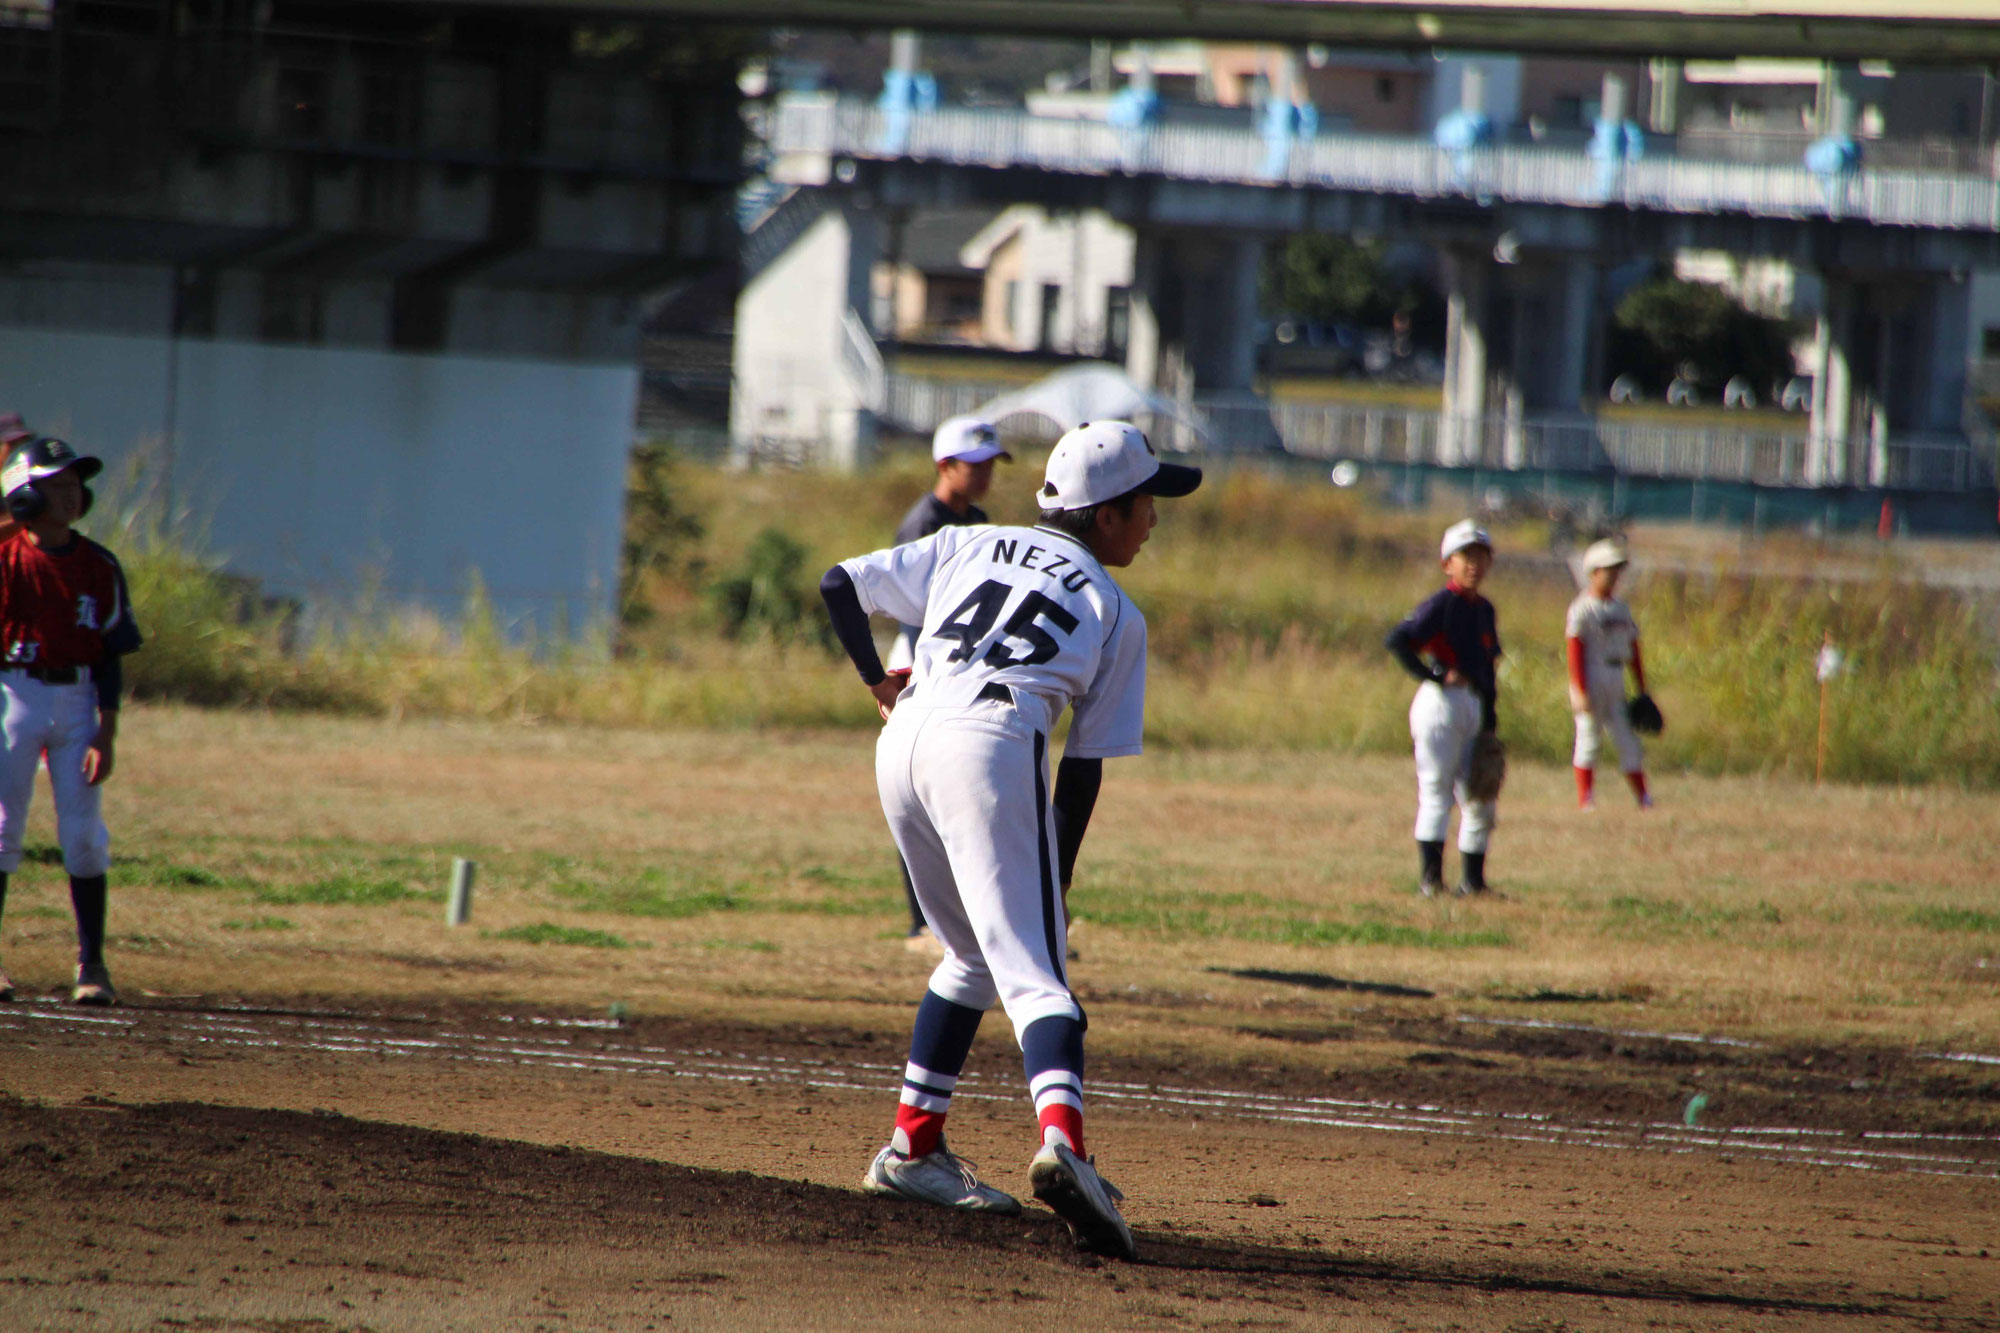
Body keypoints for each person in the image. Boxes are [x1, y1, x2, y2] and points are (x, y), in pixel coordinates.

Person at [818, 420, 1200, 1261]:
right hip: (989, 743)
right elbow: (1083, 773)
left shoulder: (967, 542)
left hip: (906, 739)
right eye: (1146, 505)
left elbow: (838, 582)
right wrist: (1053, 881)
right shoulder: (1112, 607)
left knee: (970, 957)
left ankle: (913, 1148)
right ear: (1106, 515)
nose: (1154, 521)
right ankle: (1067, 1147)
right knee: (1040, 974)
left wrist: (875, 678)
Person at [0, 437, 143, 1006]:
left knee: (83, 834)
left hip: (79, 697)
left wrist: (107, 729)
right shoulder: (6, 559)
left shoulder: (99, 564)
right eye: (55, 486)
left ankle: (92, 963)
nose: (71, 496)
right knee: (4, 829)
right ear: (26, 496)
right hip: (12, 693)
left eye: (74, 486)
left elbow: (110, 652)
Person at [886, 417, 1010, 956]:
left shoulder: (977, 520)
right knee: (918, 793)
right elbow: (916, 613)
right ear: (945, 466)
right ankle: (923, 925)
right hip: (920, 661)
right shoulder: (923, 524)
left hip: (960, 661)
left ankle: (972, 920)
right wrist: (925, 676)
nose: (985, 476)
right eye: (975, 466)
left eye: (990, 466)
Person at [1385, 520, 1502, 898]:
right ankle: (1431, 882)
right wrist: (1432, 673)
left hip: (1471, 705)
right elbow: (1399, 640)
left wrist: (1490, 717)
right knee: (1437, 793)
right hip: (1440, 705)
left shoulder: (1484, 609)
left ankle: (1473, 882)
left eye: (1482, 556)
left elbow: (1488, 667)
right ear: (1447, 563)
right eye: (1466, 556)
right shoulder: (1442, 604)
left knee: (1481, 793)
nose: (1475, 564)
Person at [1567, 539, 1651, 811]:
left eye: (1617, 570)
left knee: (1627, 739)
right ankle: (1585, 799)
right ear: (1593, 572)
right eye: (1608, 570)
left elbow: (1633, 649)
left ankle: (1643, 797)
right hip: (1592, 673)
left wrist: (1642, 688)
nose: (1614, 576)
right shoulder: (1582, 608)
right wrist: (1579, 689)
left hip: (1616, 675)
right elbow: (1575, 650)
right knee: (1588, 737)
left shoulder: (1620, 608)